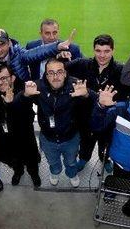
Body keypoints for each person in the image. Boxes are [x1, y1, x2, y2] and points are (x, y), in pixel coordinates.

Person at [14, 58, 94, 187]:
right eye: (51, 73)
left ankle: (72, 174)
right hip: (48, 138)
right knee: (53, 162)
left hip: (71, 138)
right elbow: (16, 105)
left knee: (71, 162)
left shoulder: (75, 85)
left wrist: (87, 94)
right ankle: (55, 172)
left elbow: (95, 102)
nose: (55, 77)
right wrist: (24, 95)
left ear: (65, 73)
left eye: (59, 72)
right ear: (46, 75)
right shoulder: (38, 86)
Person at [65, 34, 127, 173]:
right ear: (93, 50)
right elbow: (58, 70)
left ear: (113, 51)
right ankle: (84, 158)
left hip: (109, 120)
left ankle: (104, 158)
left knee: (106, 143)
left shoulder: (121, 70)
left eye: (106, 51)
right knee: (86, 141)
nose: (102, 55)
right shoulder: (82, 64)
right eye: (98, 51)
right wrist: (60, 55)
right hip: (85, 118)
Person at [0, 64, 41, 188]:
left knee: (31, 160)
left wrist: (11, 105)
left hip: (25, 137)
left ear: (13, 78)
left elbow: (29, 118)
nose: (1, 82)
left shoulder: (24, 92)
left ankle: (34, 174)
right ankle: (18, 172)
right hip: (6, 138)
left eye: (4, 78)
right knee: (14, 160)